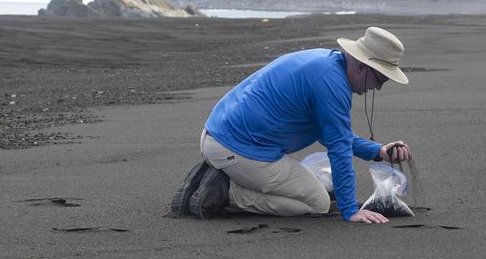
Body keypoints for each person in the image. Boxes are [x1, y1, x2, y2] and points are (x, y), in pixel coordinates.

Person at [170, 26, 412, 224]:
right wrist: (350, 211)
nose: (378, 87)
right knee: (317, 203)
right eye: (380, 78)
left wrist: (377, 151)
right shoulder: (331, 84)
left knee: (316, 187)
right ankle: (227, 191)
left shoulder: (325, 62)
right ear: (362, 66)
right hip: (238, 149)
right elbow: (338, 148)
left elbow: (333, 135)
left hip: (217, 134)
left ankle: (227, 176)